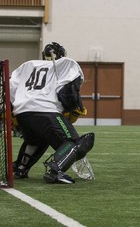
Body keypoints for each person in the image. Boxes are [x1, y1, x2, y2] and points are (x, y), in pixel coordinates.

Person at [10, 42, 95, 184]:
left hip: (22, 112)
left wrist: (14, 114)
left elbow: (11, 90)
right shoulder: (66, 64)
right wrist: (72, 108)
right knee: (74, 142)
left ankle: (20, 168)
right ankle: (56, 171)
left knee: (37, 140)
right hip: (46, 110)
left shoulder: (27, 65)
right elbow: (69, 93)